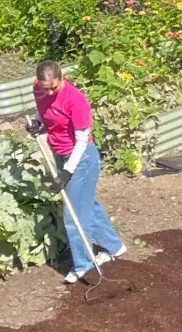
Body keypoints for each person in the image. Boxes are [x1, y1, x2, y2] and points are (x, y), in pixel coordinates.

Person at [30, 61, 126, 284]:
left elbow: (82, 140)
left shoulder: (75, 100)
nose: (49, 92)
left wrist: (66, 172)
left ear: (62, 78)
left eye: (53, 87)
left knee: (73, 214)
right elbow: (43, 108)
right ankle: (115, 246)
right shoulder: (39, 88)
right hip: (59, 152)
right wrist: (37, 122)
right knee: (87, 204)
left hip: (80, 158)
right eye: (45, 88)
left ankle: (84, 264)